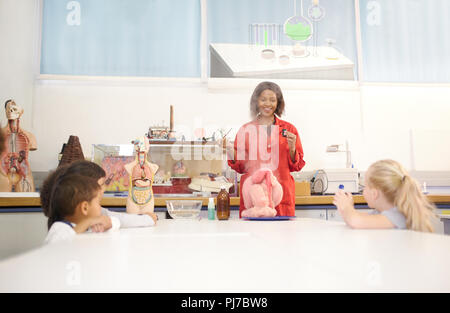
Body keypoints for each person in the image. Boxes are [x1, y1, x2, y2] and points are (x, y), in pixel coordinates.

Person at [226, 81, 305, 217]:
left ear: (278, 103)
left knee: (282, 236)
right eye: (263, 99)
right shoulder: (245, 130)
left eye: (272, 100)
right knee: (252, 236)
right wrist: (228, 149)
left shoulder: (289, 129)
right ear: (256, 101)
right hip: (254, 198)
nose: (267, 104)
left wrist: (292, 148)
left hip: (280, 198)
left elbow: (296, 166)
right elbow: (240, 167)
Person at [40, 160, 158, 232]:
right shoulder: (60, 228)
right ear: (84, 206)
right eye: (101, 185)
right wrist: (148, 218)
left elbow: (114, 220)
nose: (103, 190)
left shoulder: (89, 214)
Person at [333, 159, 437, 232]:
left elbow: (356, 221)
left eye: (365, 186)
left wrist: (347, 207)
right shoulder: (381, 213)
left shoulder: (398, 216)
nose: (363, 191)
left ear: (374, 194)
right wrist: (344, 208)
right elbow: (354, 220)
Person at [45, 174, 118, 244]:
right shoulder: (59, 228)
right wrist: (89, 222)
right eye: (98, 202)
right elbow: (61, 244)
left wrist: (109, 224)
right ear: (85, 208)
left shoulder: (89, 227)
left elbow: (116, 221)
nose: (100, 207)